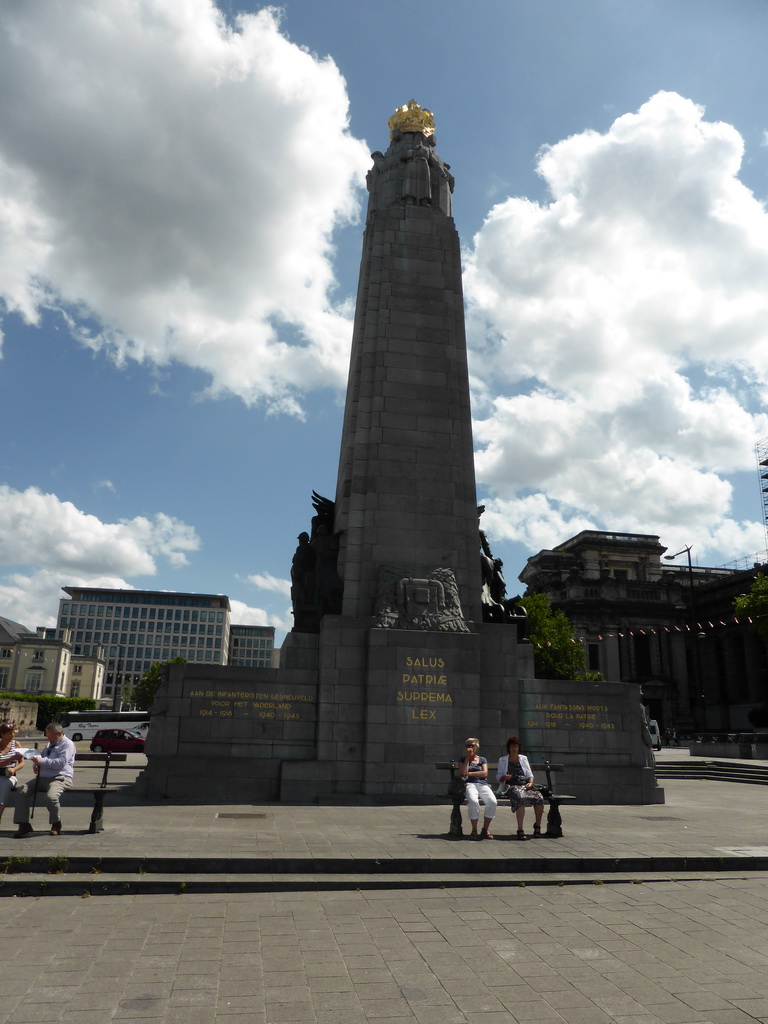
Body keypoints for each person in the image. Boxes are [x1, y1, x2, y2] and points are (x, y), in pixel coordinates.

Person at [13, 722, 76, 838]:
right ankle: (23, 824)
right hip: (42, 777)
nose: (48, 738)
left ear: (59, 734)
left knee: (51, 797)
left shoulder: (68, 745)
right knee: (21, 792)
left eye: (50, 736)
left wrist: (41, 762)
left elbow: (61, 763)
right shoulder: (50, 744)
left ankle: (56, 823)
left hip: (60, 778)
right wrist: (36, 765)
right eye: (47, 736)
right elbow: (41, 757)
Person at [497, 735, 545, 840]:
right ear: (508, 748)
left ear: (519, 748)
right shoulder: (503, 760)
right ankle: (520, 829)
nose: (514, 749)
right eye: (512, 746)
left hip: (525, 785)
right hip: (512, 786)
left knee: (539, 798)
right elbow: (498, 777)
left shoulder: (523, 758)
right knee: (520, 797)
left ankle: (537, 826)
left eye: (516, 746)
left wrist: (530, 783)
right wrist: (504, 777)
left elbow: (530, 775)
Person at [458, 737, 497, 839]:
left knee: (492, 802)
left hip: (482, 784)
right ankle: (474, 829)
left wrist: (469, 773)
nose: (470, 748)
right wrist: (467, 758)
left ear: (477, 747)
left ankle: (485, 829)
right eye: (468, 746)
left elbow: (484, 773)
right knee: (474, 801)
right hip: (469, 784)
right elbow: (462, 773)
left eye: (472, 745)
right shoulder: (463, 759)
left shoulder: (482, 759)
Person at [0, 722, 24, 824]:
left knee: (5, 785)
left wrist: (14, 769)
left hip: (9, 775)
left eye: (13, 733)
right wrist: (11, 758)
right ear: (2, 734)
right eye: (9, 733)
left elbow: (22, 762)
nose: (12, 735)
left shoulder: (16, 744)